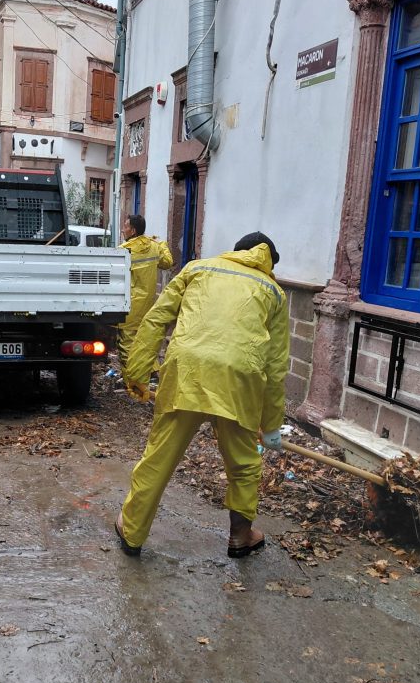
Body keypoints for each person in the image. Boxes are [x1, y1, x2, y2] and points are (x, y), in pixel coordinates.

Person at [114, 231, 289, 559]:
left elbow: (155, 320)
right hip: (241, 379)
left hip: (187, 374)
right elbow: (276, 367)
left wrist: (137, 372)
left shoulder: (198, 268)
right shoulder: (273, 291)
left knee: (159, 457)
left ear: (235, 252)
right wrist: (270, 425)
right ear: (267, 263)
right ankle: (240, 536)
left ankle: (133, 532)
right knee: (244, 464)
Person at [117, 213, 173, 368]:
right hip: (147, 304)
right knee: (143, 340)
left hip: (129, 305)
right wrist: (162, 244)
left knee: (127, 344)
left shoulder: (123, 250)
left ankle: (133, 378)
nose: (123, 229)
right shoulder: (154, 246)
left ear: (133, 231)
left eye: (126, 226)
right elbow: (168, 263)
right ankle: (152, 370)